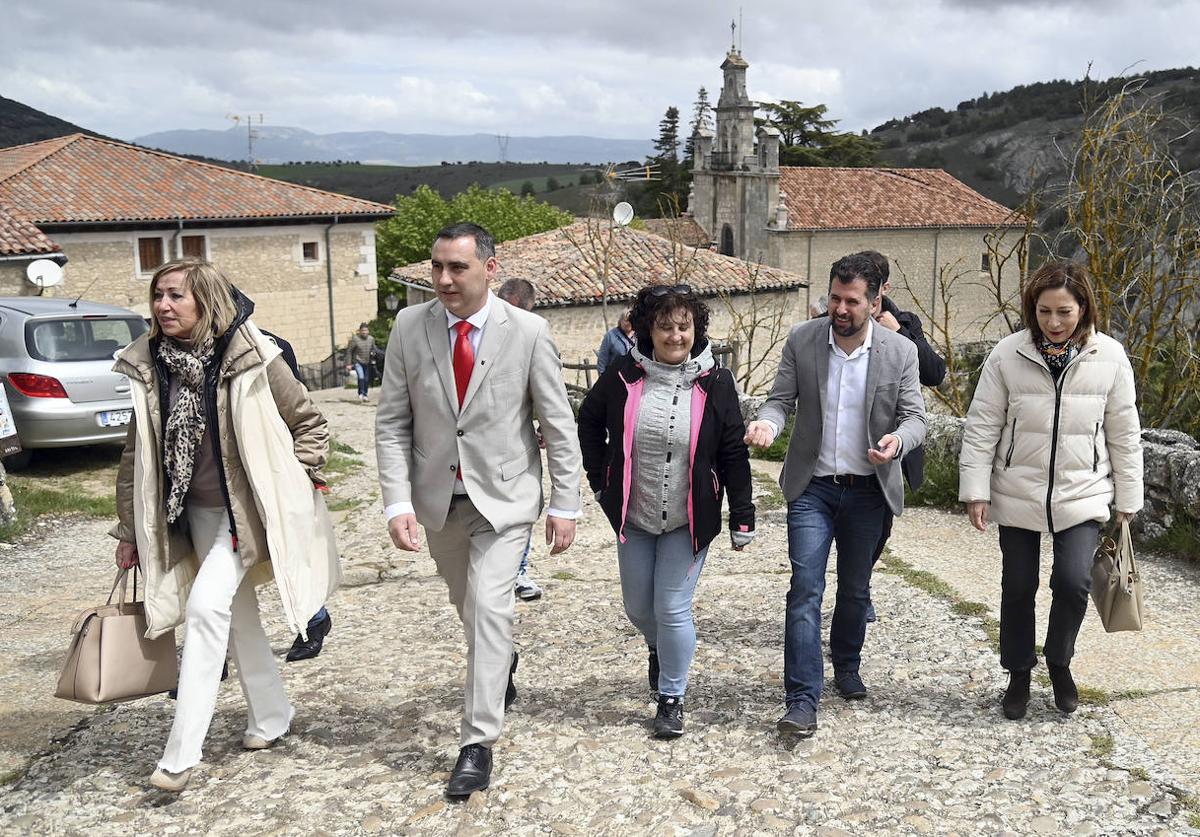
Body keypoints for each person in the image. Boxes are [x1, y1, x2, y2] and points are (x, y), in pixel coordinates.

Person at [111, 258, 338, 792]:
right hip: (188, 514)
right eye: (158, 296)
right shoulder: (151, 363)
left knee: (205, 609)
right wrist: (128, 530)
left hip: (245, 516)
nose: (163, 306)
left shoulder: (253, 353)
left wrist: (295, 483)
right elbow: (135, 452)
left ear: (205, 301)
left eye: (175, 296)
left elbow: (308, 421)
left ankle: (179, 757)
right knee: (239, 619)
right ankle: (272, 717)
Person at [375, 223, 582, 798]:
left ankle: (476, 743)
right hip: (438, 502)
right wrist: (396, 501)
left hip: (506, 500)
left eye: (457, 268)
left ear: (489, 269)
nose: (443, 279)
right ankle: (499, 662)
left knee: (491, 609)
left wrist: (566, 503)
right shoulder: (408, 328)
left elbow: (557, 425)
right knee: (471, 610)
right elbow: (393, 421)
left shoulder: (530, 332)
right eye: (437, 267)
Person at [745, 252, 926, 739]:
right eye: (834, 298)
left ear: (875, 300)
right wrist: (767, 422)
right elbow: (781, 399)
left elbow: (917, 418)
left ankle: (846, 663)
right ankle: (801, 699)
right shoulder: (803, 341)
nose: (840, 309)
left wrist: (897, 442)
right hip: (813, 489)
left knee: (854, 590)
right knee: (805, 588)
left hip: (868, 490)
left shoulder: (899, 352)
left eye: (851, 301)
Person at [959, 261, 1142, 720]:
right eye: (1044, 311)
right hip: (1017, 489)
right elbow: (982, 427)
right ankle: (1018, 672)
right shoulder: (1006, 355)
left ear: (1084, 308)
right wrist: (976, 490)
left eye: (1064, 311)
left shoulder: (1111, 358)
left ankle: (1060, 662)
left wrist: (1128, 499)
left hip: (1083, 492)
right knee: (1018, 586)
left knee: (1074, 582)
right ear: (1031, 309)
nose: (1054, 322)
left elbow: (1124, 432)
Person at [578, 284, 755, 739]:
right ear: (647, 331)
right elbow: (589, 422)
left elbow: (734, 450)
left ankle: (671, 697)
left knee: (672, 606)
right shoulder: (623, 376)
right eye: (664, 327)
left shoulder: (717, 381)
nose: (675, 335)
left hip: (688, 518)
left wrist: (742, 514)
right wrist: (600, 482)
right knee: (639, 607)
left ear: (695, 331)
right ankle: (658, 646)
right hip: (634, 516)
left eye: (683, 326)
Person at [862, 251, 947, 621]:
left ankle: (858, 583)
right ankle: (855, 590)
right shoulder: (835, 322)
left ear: (884, 289)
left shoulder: (907, 323)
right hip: (847, 450)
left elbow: (935, 373)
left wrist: (899, 333)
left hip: (895, 447)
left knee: (881, 530)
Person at [495, 277, 546, 603]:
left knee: (522, 511)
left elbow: (541, 388)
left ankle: (517, 571)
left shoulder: (532, 335)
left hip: (518, 443)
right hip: (481, 445)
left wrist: (541, 425)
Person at [596, 310, 634, 375]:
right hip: (615, 377)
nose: (629, 323)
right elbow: (602, 360)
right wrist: (604, 379)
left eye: (631, 320)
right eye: (626, 320)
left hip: (635, 379)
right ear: (620, 320)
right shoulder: (610, 336)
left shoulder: (639, 335)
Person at [346, 322, 376, 402]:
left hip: (367, 362)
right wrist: (349, 363)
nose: (364, 332)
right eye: (363, 330)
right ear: (360, 331)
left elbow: (374, 349)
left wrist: (373, 354)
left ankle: (365, 394)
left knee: (366, 379)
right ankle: (361, 393)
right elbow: (349, 351)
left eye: (366, 330)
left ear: (368, 331)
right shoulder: (355, 339)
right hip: (358, 361)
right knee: (361, 377)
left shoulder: (371, 339)